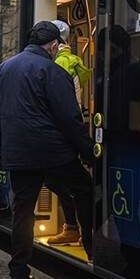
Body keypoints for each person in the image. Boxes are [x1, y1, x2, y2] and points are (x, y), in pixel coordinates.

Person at [0, 21, 95, 279]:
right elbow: (70, 118)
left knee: (23, 211)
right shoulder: (52, 71)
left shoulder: (4, 69)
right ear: (52, 46)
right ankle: (93, 250)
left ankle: (19, 272)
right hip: (53, 153)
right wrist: (88, 151)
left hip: (19, 154)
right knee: (83, 189)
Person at [43, 19, 92, 246]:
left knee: (62, 182)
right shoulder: (72, 60)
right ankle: (79, 230)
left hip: (60, 134)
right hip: (71, 129)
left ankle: (77, 229)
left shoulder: (58, 63)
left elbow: (59, 104)